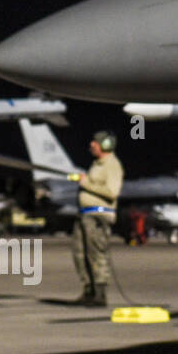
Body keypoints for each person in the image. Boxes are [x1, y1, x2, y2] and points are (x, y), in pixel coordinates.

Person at [70, 131, 124, 306]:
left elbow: (112, 192)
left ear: (105, 145)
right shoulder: (97, 165)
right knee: (80, 254)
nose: (91, 145)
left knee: (96, 254)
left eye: (95, 142)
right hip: (86, 215)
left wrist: (85, 183)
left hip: (98, 216)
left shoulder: (112, 166)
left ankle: (100, 294)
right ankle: (88, 290)